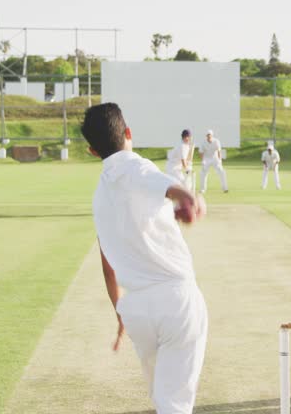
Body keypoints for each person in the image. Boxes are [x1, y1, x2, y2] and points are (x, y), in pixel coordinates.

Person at [81, 103, 208, 414]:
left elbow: (107, 265)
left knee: (163, 400)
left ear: (92, 151)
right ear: (128, 133)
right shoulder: (137, 166)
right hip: (176, 300)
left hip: (136, 308)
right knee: (174, 405)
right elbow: (179, 193)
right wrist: (191, 202)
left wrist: (119, 312)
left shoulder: (99, 196)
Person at [198, 129, 228, 193]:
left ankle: (225, 188)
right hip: (206, 158)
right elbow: (201, 152)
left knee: (221, 171)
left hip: (215, 158)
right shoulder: (203, 142)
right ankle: (203, 189)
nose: (209, 136)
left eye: (210, 135)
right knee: (203, 173)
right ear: (206, 136)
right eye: (207, 135)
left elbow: (219, 151)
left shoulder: (216, 141)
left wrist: (220, 160)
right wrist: (203, 161)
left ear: (212, 135)